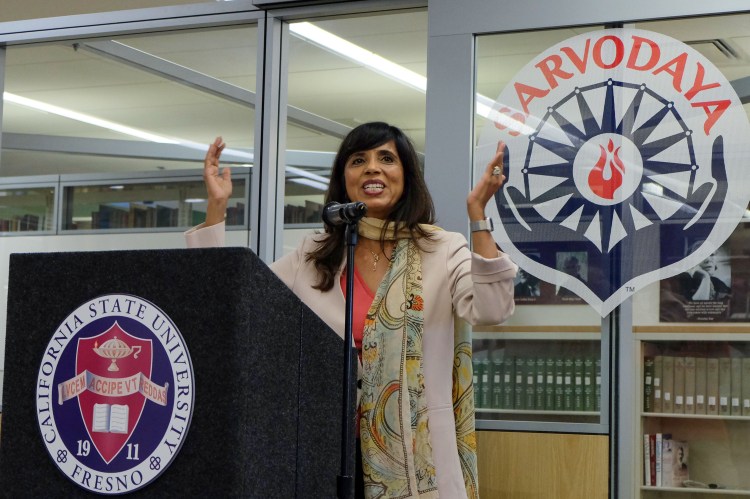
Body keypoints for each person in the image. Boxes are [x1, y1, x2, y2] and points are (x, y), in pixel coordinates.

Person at [186, 122, 517, 499]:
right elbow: (234, 309)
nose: (372, 168)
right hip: (322, 454)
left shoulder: (441, 249)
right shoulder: (313, 254)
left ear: (406, 176)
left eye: (386, 158)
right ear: (344, 179)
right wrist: (216, 210)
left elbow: (492, 309)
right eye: (358, 160)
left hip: (414, 460)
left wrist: (478, 216)